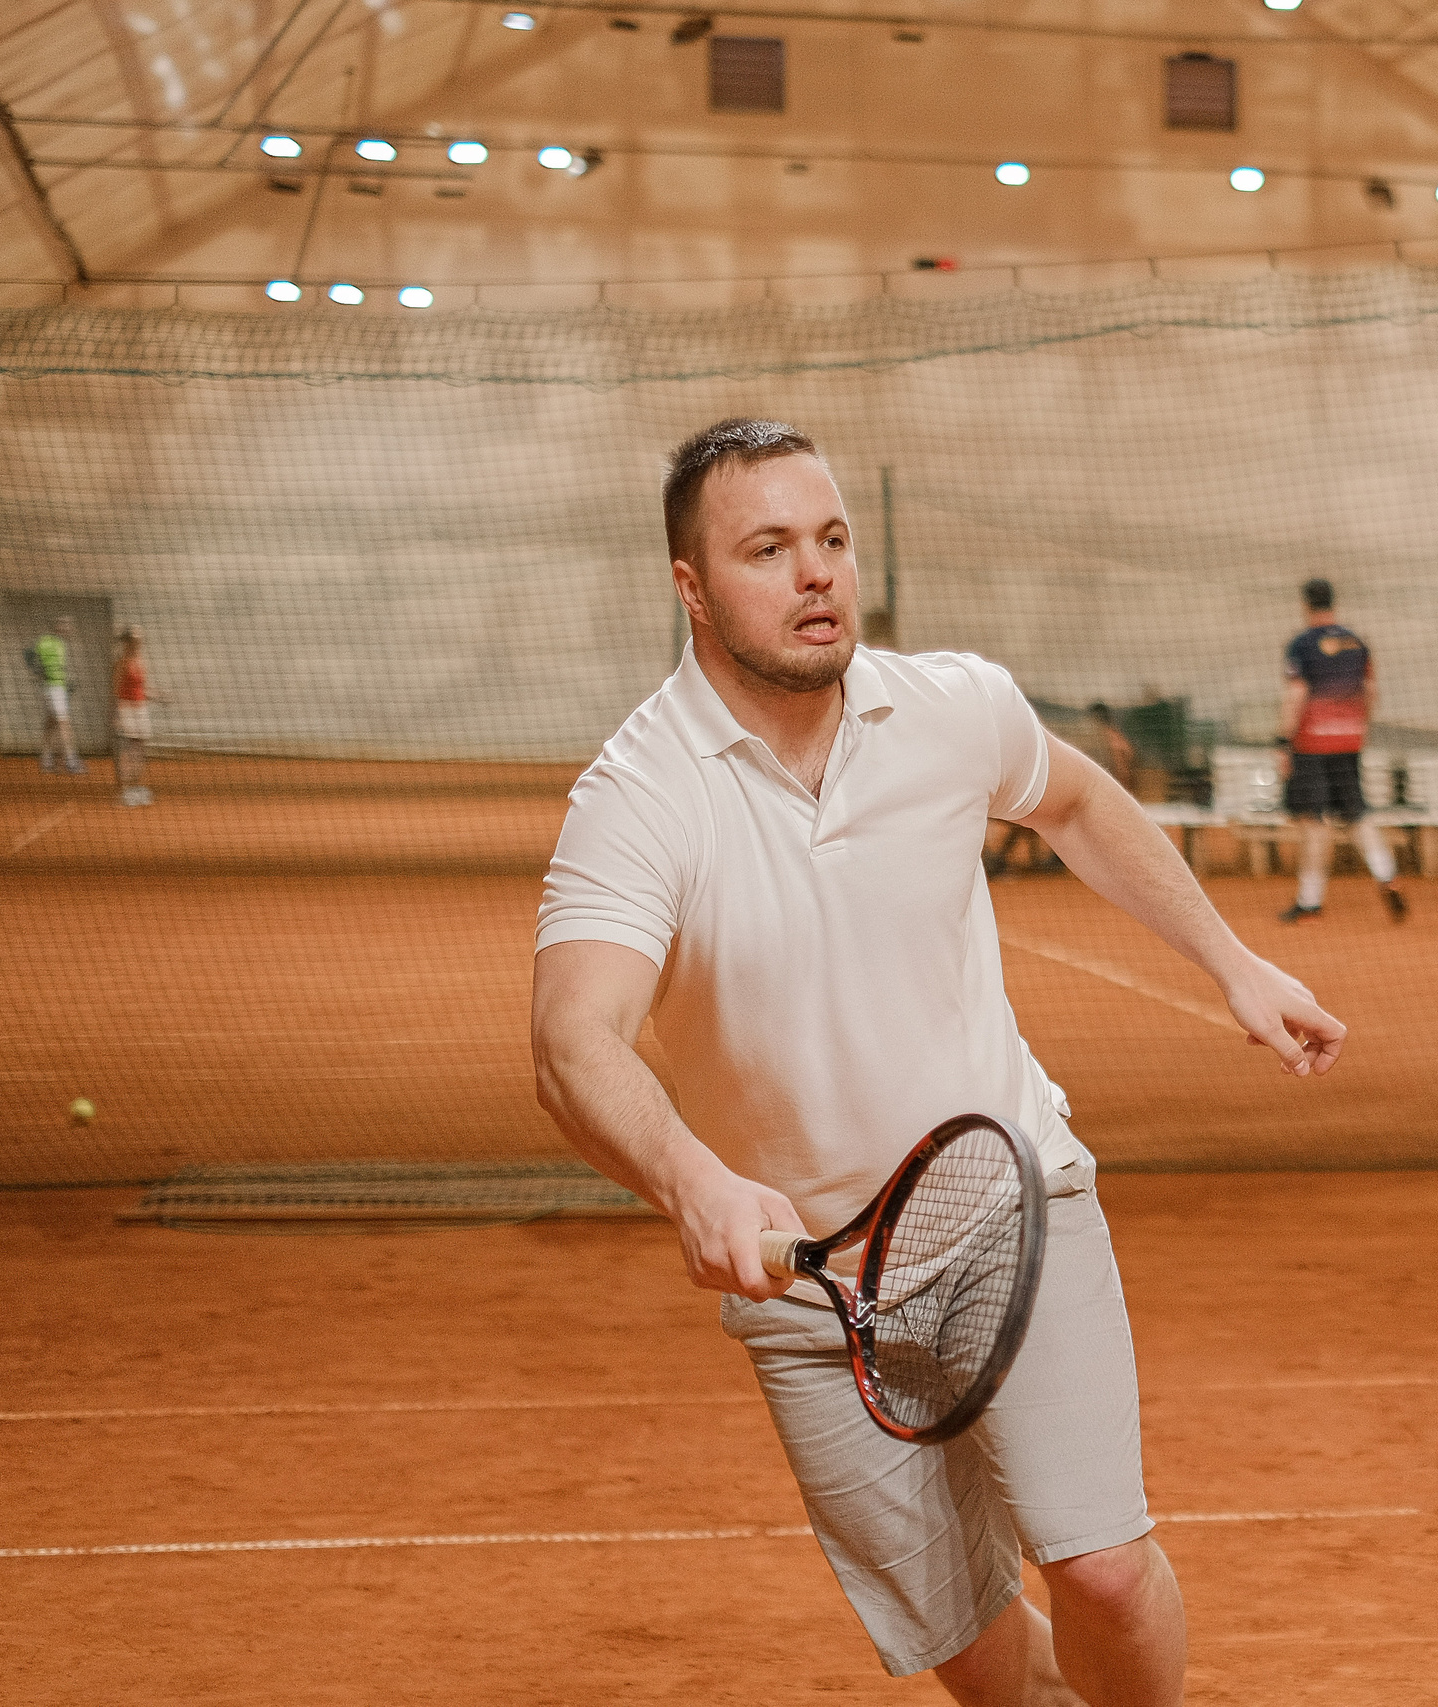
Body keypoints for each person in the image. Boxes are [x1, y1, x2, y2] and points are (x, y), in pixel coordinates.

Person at [532, 419, 1343, 1706]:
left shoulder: (953, 706)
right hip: (813, 1291)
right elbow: (572, 1042)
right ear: (691, 585)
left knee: (1104, 1574)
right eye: (769, 549)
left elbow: (1075, 800)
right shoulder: (637, 796)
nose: (818, 575)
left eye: (833, 540)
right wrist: (692, 1179)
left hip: (1010, 1202)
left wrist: (1232, 962)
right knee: (974, 1653)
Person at [1277, 578, 1405, 924]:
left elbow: (1296, 695)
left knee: (1315, 823)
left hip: (1311, 744)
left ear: (1306, 604)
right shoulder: (1356, 642)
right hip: (1349, 741)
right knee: (1357, 814)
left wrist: (1282, 742)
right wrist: (1357, 727)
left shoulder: (1301, 645)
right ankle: (1387, 875)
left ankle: (1310, 900)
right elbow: (1370, 691)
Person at [28, 615, 83, 774]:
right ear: (57, 626)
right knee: (64, 723)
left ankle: (45, 759)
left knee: (51, 724)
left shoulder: (62, 644)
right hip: (52, 688)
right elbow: (29, 655)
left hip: (57, 687)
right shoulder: (45, 641)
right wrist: (38, 672)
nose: (68, 628)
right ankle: (71, 761)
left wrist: (65, 683)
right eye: (65, 625)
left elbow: (57, 667)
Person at [110, 626, 158, 807]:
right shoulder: (122, 662)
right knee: (129, 749)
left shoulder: (140, 660)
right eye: (136, 640)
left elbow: (141, 689)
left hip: (140, 708)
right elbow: (115, 691)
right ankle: (123, 792)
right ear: (128, 643)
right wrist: (114, 715)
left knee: (140, 749)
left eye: (140, 640)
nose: (139, 643)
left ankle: (134, 789)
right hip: (126, 709)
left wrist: (158, 696)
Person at [1075, 702, 1137, 795]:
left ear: (1096, 718)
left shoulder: (1110, 737)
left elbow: (1123, 763)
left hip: (1116, 786)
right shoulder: (1110, 735)